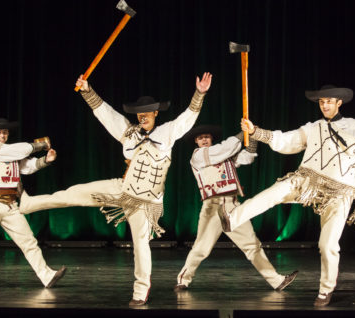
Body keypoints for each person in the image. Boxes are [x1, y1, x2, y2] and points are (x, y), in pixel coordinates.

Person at [218, 85, 355, 306]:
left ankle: (326, 289)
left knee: (328, 244)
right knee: (273, 193)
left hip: (340, 191)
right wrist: (255, 131)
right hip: (307, 180)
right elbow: (287, 140)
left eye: (329, 101)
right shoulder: (313, 127)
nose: (325, 105)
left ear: (339, 102)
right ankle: (232, 218)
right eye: (322, 102)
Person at [19, 72, 212, 305]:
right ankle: (30, 203)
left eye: (147, 112)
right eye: (140, 113)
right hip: (122, 189)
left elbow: (187, 118)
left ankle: (140, 292)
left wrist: (199, 93)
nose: (143, 116)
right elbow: (106, 114)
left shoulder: (166, 133)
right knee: (75, 193)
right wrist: (87, 90)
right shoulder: (129, 133)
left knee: (140, 246)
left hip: (145, 202)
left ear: (155, 114)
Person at [174, 125, 298, 291]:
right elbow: (224, 149)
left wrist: (252, 138)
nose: (204, 140)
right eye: (200, 138)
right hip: (213, 206)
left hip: (232, 206)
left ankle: (276, 280)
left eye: (207, 137)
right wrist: (242, 133)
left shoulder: (224, 156)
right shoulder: (198, 156)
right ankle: (183, 280)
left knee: (252, 246)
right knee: (201, 248)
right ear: (196, 141)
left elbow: (247, 158)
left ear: (211, 139)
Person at [0, 118, 66, 287]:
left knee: (29, 241)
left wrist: (46, 160)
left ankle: (46, 276)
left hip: (10, 205)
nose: (2, 135)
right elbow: (20, 150)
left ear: (7, 134)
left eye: (4, 132)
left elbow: (27, 167)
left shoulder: (11, 153)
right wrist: (40, 145)